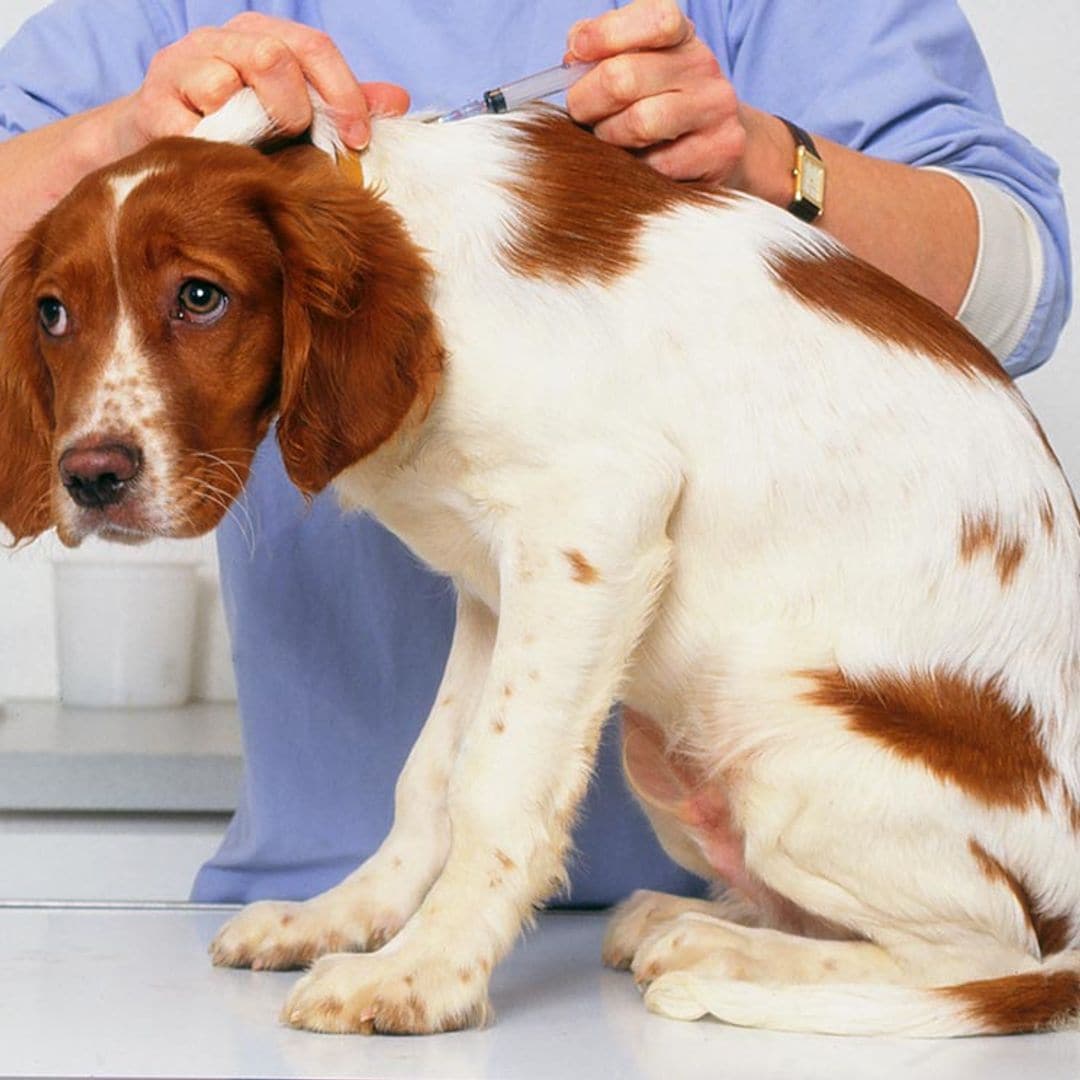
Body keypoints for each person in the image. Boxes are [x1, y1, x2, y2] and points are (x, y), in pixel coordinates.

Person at [0, 1, 1070, 905]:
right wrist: (115, 144)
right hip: (326, 890)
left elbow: (1027, 280)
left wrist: (766, 158)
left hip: (756, 898)